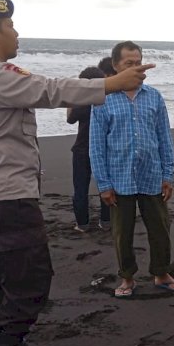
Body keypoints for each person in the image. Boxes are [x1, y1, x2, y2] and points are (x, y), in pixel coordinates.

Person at [0, 0, 154, 346]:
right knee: (29, 273)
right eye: (11, 26)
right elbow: (50, 90)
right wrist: (112, 83)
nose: (17, 33)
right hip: (6, 195)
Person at [89, 41, 174, 297]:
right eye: (128, 63)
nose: (136, 67)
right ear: (115, 66)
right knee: (122, 233)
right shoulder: (103, 100)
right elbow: (96, 146)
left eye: (138, 62)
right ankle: (127, 277)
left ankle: (161, 273)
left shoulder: (154, 96)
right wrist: (104, 184)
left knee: (160, 228)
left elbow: (164, 137)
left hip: (152, 175)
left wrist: (167, 174)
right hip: (119, 180)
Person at [66, 65, 111, 232]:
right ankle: (106, 221)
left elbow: (70, 119)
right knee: (105, 186)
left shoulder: (82, 103)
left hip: (82, 148)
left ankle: (82, 224)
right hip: (103, 149)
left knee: (80, 188)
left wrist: (72, 98)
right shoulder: (106, 101)